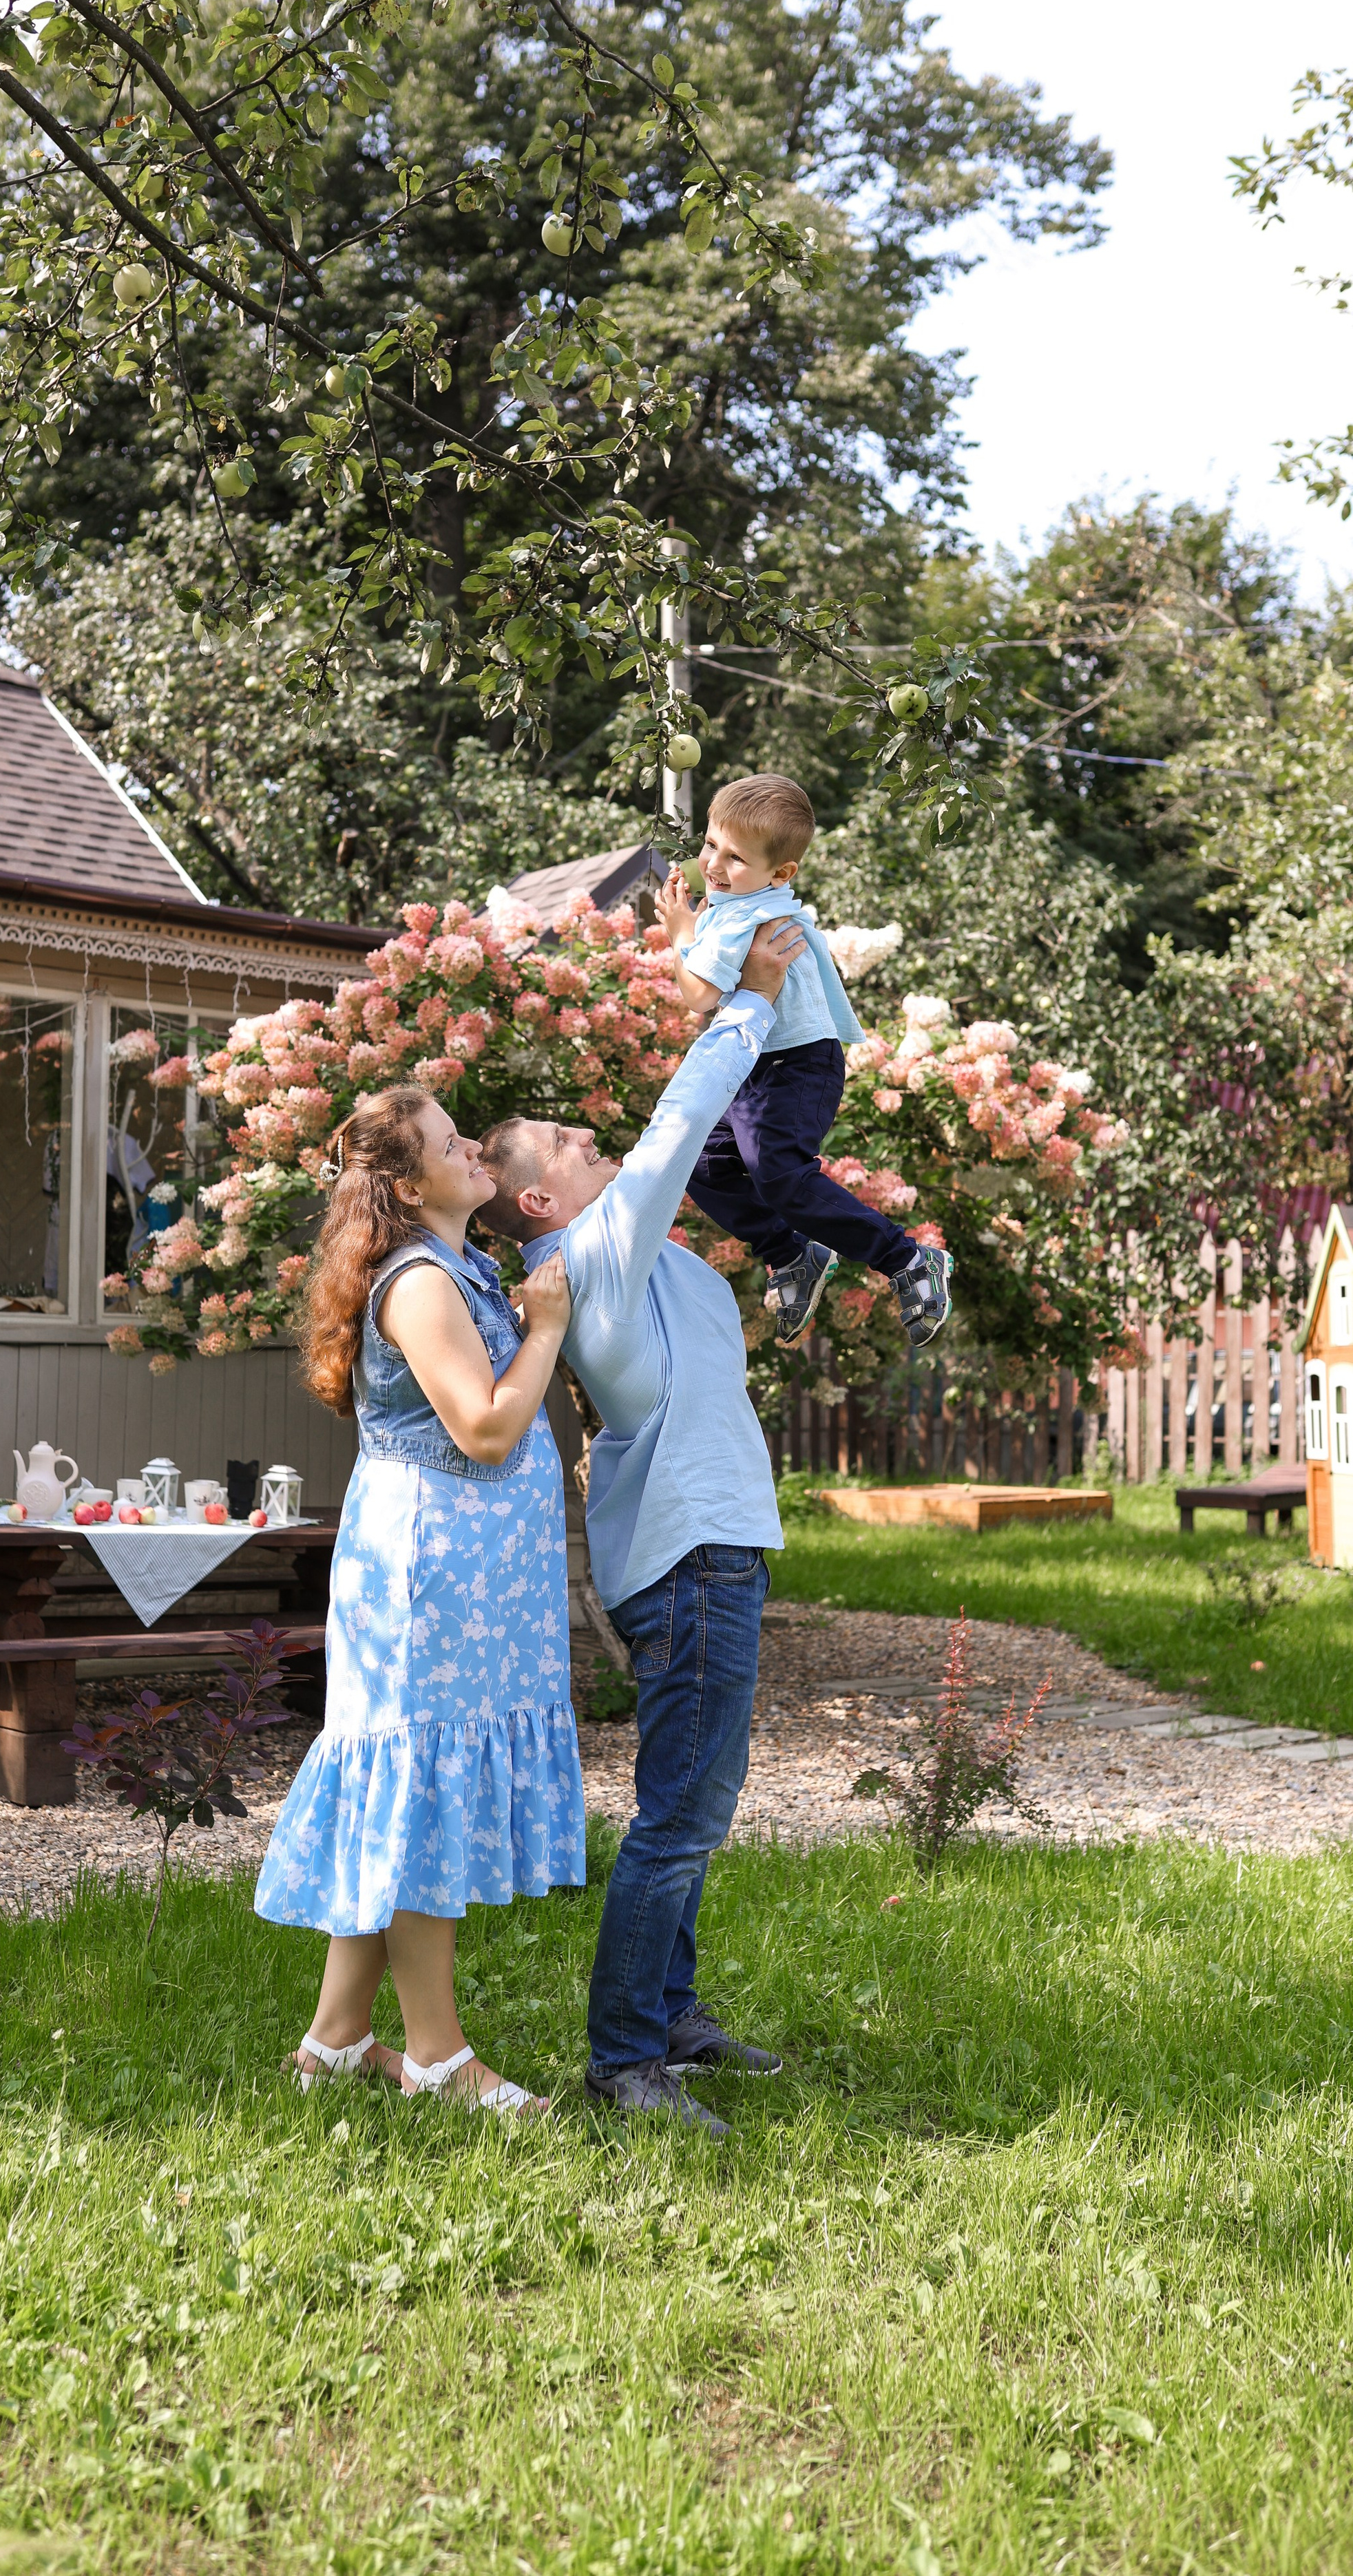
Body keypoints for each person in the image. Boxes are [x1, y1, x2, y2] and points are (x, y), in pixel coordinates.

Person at [477, 915, 809, 2136]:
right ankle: (624, 2061)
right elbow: (680, 1123)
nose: (590, 1136)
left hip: (712, 1550)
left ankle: (669, 2017)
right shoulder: (598, 1253)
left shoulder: (653, 1256)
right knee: (678, 1813)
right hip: (690, 1563)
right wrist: (755, 992)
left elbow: (730, 1167)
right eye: (566, 1140)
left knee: (697, 1807)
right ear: (536, 1196)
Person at [254, 1084, 582, 2115]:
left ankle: (335, 2042)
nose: (476, 1150)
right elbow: (485, 1430)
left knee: (410, 1785)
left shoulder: (457, 1266)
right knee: (421, 1791)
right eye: (453, 1144)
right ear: (407, 1184)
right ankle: (439, 2057)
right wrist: (548, 1332)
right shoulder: (420, 1283)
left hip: (466, 1581)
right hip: (430, 1578)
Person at [660, 770, 952, 1352]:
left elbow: (698, 994)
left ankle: (910, 1261)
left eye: (736, 857)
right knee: (703, 1165)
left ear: (781, 872)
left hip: (794, 1066)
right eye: (711, 844)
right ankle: (792, 1254)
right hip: (754, 1067)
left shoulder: (745, 915)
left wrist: (679, 932)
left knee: (781, 1175)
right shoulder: (737, 902)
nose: (714, 864)